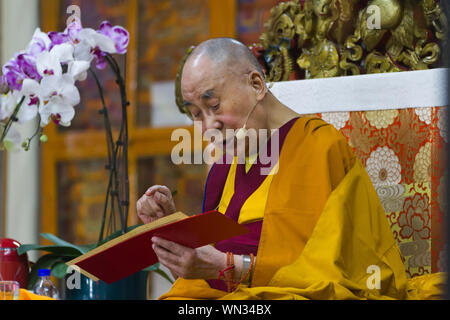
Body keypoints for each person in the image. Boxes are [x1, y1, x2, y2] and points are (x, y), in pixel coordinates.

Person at [136, 38, 445, 300]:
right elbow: (217, 250)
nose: (208, 128)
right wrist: (173, 231)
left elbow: (338, 274)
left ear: (256, 84)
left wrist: (226, 266)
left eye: (214, 106)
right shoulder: (225, 162)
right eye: (196, 114)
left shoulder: (318, 147)